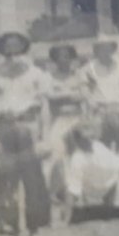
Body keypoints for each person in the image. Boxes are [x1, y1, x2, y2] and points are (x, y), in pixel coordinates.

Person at [0, 31, 53, 236]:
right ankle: (9, 227)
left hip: (29, 126)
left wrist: (45, 138)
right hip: (4, 126)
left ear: (23, 49)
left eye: (17, 48)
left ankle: (35, 226)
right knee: (6, 178)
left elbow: (45, 107)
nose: (13, 53)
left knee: (33, 177)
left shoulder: (36, 74)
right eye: (8, 49)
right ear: (2, 50)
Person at [45, 43, 86, 201]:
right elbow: (49, 96)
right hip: (59, 120)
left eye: (67, 57)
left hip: (77, 118)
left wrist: (62, 93)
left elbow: (83, 95)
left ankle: (76, 190)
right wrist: (71, 94)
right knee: (57, 154)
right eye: (60, 57)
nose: (64, 60)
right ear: (55, 59)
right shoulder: (49, 77)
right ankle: (55, 191)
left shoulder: (79, 75)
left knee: (77, 155)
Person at [82, 38, 119, 151]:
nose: (105, 52)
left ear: (113, 50)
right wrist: (94, 105)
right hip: (100, 109)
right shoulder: (89, 69)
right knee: (99, 139)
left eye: (108, 48)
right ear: (96, 51)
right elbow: (86, 92)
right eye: (101, 49)